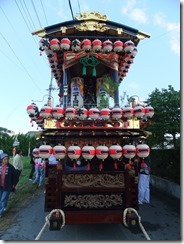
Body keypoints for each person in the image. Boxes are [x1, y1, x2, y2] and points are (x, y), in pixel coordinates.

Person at [0, 153, 17, 217]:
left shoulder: (10, 167)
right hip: (0, 185)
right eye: (4, 159)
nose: (6, 161)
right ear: (1, 160)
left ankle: (0, 212)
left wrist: (14, 184)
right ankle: (3, 207)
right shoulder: (0, 166)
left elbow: (15, 176)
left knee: (3, 199)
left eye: (7, 159)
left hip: (7, 186)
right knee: (1, 199)